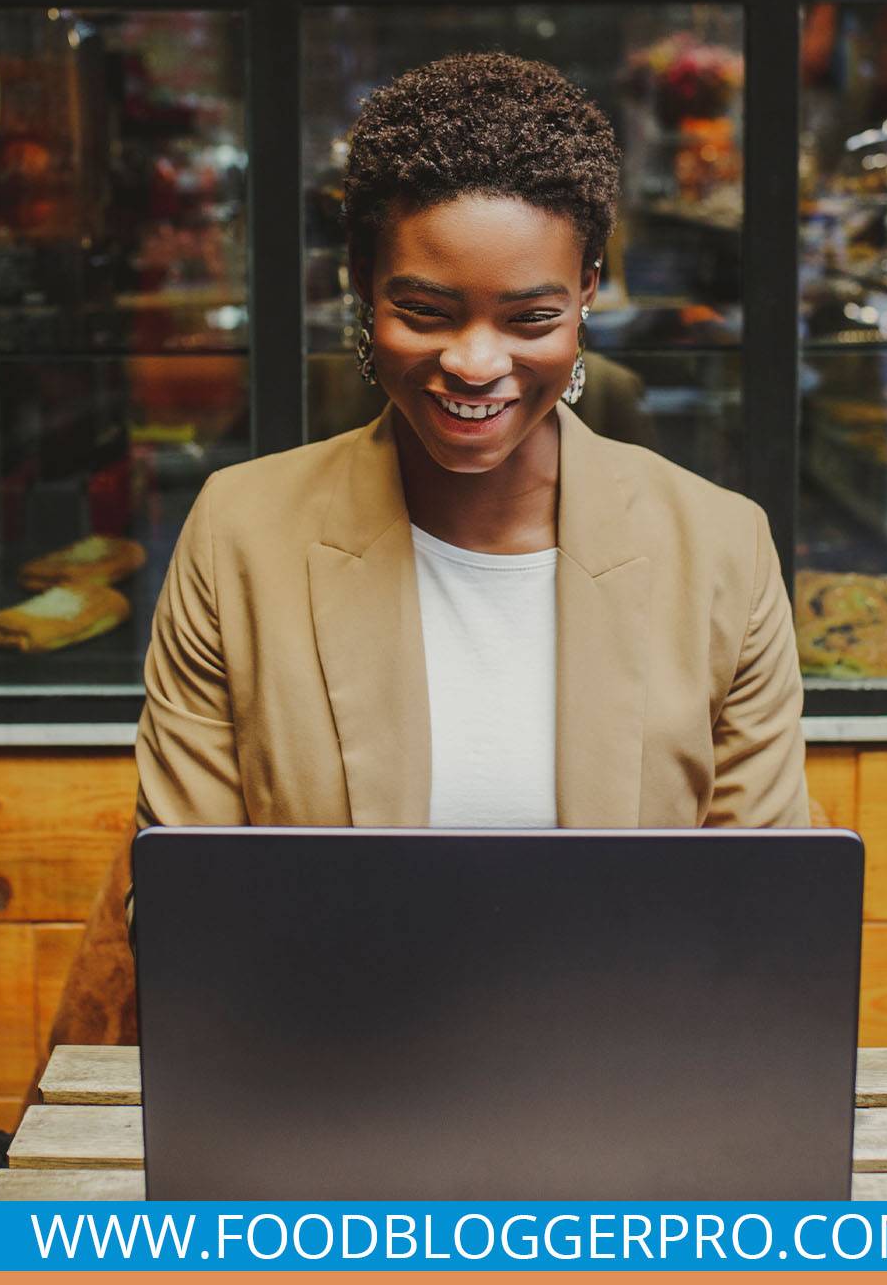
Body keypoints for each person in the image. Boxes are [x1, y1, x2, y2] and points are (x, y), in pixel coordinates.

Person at [135, 52, 809, 836]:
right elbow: (189, 892)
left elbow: (754, 904)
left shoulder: (722, 550)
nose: (476, 364)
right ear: (362, 279)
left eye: (530, 319)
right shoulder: (240, 536)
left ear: (587, 290)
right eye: (425, 311)